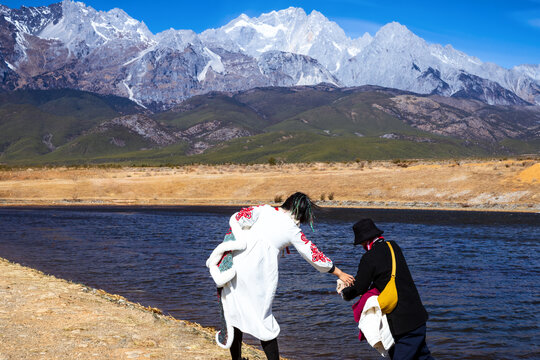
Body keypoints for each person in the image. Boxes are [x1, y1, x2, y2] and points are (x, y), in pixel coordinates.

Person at [206, 192, 354, 360]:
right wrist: (339, 272)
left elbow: (238, 218)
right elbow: (313, 254)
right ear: (301, 213)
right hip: (257, 274)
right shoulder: (292, 229)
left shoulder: (263, 209)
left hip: (235, 265)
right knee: (263, 319)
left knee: (234, 312)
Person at [340, 218, 434, 360]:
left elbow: (359, 287)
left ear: (365, 242)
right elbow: (386, 274)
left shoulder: (369, 257)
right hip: (419, 318)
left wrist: (344, 292)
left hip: (403, 325)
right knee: (423, 357)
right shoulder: (393, 246)